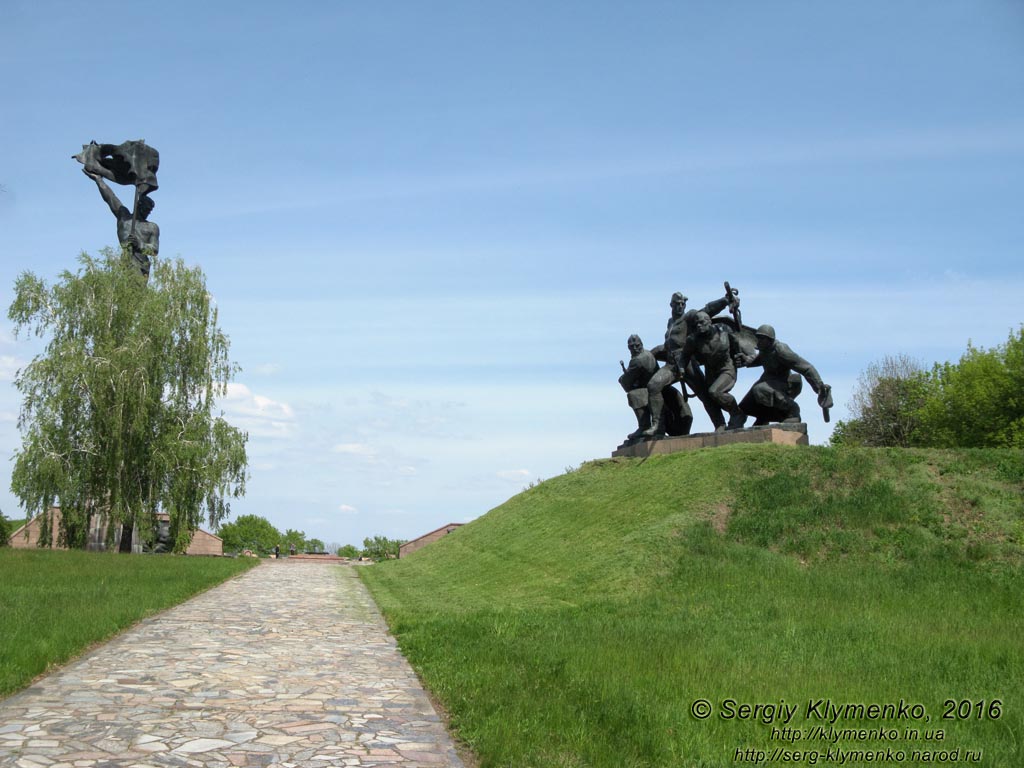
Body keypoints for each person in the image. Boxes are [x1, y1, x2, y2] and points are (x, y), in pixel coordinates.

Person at [643, 289, 733, 436]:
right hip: (671, 364)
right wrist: (650, 354)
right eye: (677, 304)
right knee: (653, 386)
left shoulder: (689, 317)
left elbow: (707, 310)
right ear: (671, 305)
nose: (680, 306)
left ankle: (720, 424)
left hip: (687, 362)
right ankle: (658, 426)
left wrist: (724, 301)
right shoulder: (671, 322)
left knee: (704, 394)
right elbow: (668, 345)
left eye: (682, 304)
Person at [734, 324, 832, 425]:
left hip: (784, 383)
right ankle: (763, 417)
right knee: (746, 405)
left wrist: (819, 387)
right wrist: (746, 360)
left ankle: (793, 412)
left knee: (760, 389)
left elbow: (806, 368)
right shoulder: (765, 349)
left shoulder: (781, 350)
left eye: (762, 338)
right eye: (758, 338)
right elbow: (759, 360)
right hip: (769, 381)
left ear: (769, 339)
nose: (759, 341)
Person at [673, 311, 747, 431]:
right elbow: (684, 356)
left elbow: (736, 344)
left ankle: (737, 414)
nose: (699, 326)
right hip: (711, 373)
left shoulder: (724, 330)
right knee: (709, 399)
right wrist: (681, 369)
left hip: (727, 368)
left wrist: (740, 356)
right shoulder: (693, 339)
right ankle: (720, 424)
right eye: (696, 324)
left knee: (715, 392)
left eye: (702, 322)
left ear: (709, 322)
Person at [83, 168, 159, 279]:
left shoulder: (152, 227)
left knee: (135, 291)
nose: (147, 212)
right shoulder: (125, 217)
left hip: (141, 264)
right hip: (125, 262)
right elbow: (111, 198)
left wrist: (139, 244)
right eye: (145, 208)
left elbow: (154, 249)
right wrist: (99, 180)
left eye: (149, 210)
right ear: (138, 205)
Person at [618, 334, 692, 439]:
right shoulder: (649, 354)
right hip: (663, 394)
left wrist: (622, 379)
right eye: (632, 346)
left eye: (637, 345)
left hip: (662, 401)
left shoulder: (638, 360)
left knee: (634, 395)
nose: (635, 348)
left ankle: (644, 426)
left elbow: (626, 384)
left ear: (641, 344)